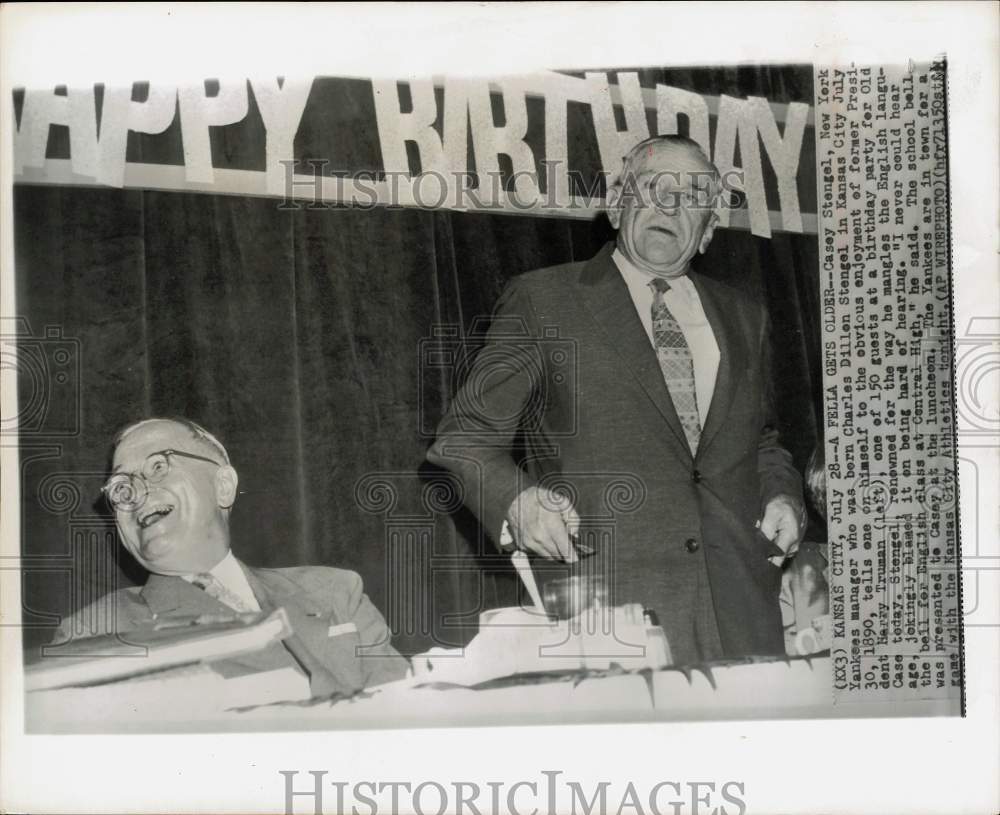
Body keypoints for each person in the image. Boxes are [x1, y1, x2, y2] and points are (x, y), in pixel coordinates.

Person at [428, 135, 806, 664]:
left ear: (708, 232)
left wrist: (783, 495)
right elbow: (463, 438)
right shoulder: (542, 300)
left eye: (694, 195)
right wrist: (518, 499)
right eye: (655, 187)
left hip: (742, 615)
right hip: (607, 619)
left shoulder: (746, 316)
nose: (670, 205)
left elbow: (761, 441)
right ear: (616, 203)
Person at [52, 417, 409, 696]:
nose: (136, 494)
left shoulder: (336, 590)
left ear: (223, 486)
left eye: (158, 467)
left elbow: (406, 711)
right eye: (120, 488)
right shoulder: (93, 632)